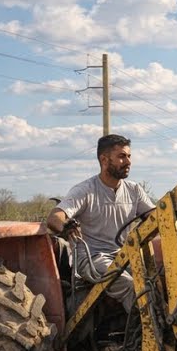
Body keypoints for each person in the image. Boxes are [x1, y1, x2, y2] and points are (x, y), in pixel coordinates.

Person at [46, 134, 156, 313]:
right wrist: (65, 226)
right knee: (128, 285)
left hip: (124, 255)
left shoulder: (134, 190)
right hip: (91, 258)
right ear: (104, 159)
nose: (128, 161)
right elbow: (54, 217)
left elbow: (156, 217)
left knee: (154, 280)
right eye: (121, 156)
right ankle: (148, 335)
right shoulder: (85, 190)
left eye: (129, 156)